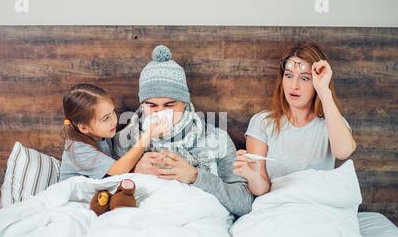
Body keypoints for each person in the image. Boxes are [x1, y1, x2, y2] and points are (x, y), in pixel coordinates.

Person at [113, 45, 253, 217]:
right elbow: (102, 192)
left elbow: (245, 203)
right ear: (142, 104)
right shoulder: (125, 140)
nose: (159, 112)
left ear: (185, 103)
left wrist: (195, 176)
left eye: (169, 105)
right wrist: (133, 171)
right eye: (151, 105)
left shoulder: (217, 139)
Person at [233, 42, 356, 196]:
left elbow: (344, 152)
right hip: (280, 207)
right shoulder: (262, 123)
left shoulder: (332, 122)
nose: (294, 85)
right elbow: (261, 190)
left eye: (305, 78)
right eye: (289, 75)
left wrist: (324, 90)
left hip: (319, 206)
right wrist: (251, 175)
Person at [59, 83, 169, 181]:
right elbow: (119, 169)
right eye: (106, 118)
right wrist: (147, 136)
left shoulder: (102, 134)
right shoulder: (78, 149)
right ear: (84, 128)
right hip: (76, 194)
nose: (114, 120)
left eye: (113, 112)